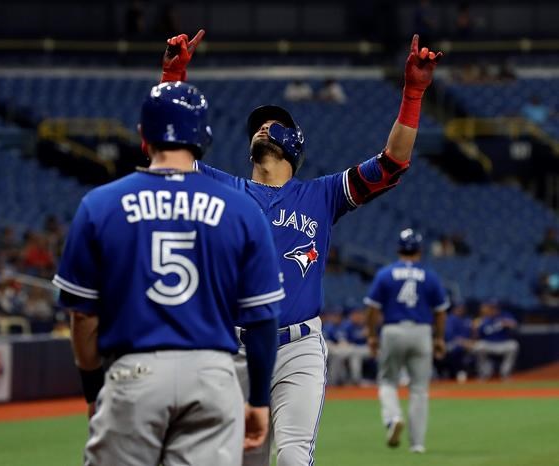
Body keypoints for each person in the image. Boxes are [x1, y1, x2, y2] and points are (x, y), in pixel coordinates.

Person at [161, 30, 443, 465]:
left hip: (298, 350)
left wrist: (414, 92)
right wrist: (173, 74)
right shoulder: (222, 188)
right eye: (257, 123)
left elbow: (392, 165)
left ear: (295, 144)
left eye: (273, 123)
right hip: (228, 348)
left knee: (293, 458)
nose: (262, 126)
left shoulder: (322, 195)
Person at [52, 81, 283, 465]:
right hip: (213, 376)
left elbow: (82, 316)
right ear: (203, 137)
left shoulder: (100, 205)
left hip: (134, 372)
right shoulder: (242, 210)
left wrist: (93, 390)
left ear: (143, 136)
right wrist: (258, 399)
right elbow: (262, 319)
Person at [364, 229, 449, 454]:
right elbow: (440, 311)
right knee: (419, 389)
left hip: (393, 330)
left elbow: (372, 308)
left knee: (388, 382)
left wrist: (371, 336)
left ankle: (393, 419)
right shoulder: (429, 275)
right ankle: (417, 444)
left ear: (398, 249)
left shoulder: (386, 273)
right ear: (419, 251)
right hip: (421, 331)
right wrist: (439, 338)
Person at [473, 300, 519, 380]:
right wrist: (474, 329)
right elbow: (476, 336)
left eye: (495, 308)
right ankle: (485, 372)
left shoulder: (505, 315)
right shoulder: (484, 319)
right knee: (478, 346)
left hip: (503, 343)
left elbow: (514, 325)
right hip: (489, 344)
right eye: (491, 308)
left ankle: (505, 373)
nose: (494, 310)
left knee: (514, 345)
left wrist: (506, 323)